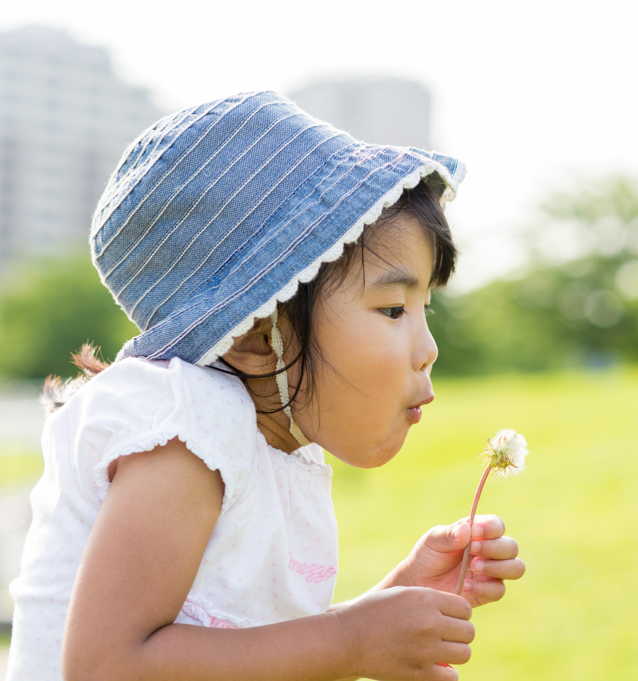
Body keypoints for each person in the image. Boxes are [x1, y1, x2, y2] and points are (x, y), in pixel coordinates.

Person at [6, 91, 525, 681]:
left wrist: (381, 616)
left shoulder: (267, 449)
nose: (428, 349)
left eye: (424, 307)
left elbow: (235, 649)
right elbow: (107, 667)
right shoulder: (187, 425)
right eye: (391, 309)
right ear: (256, 334)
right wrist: (351, 640)